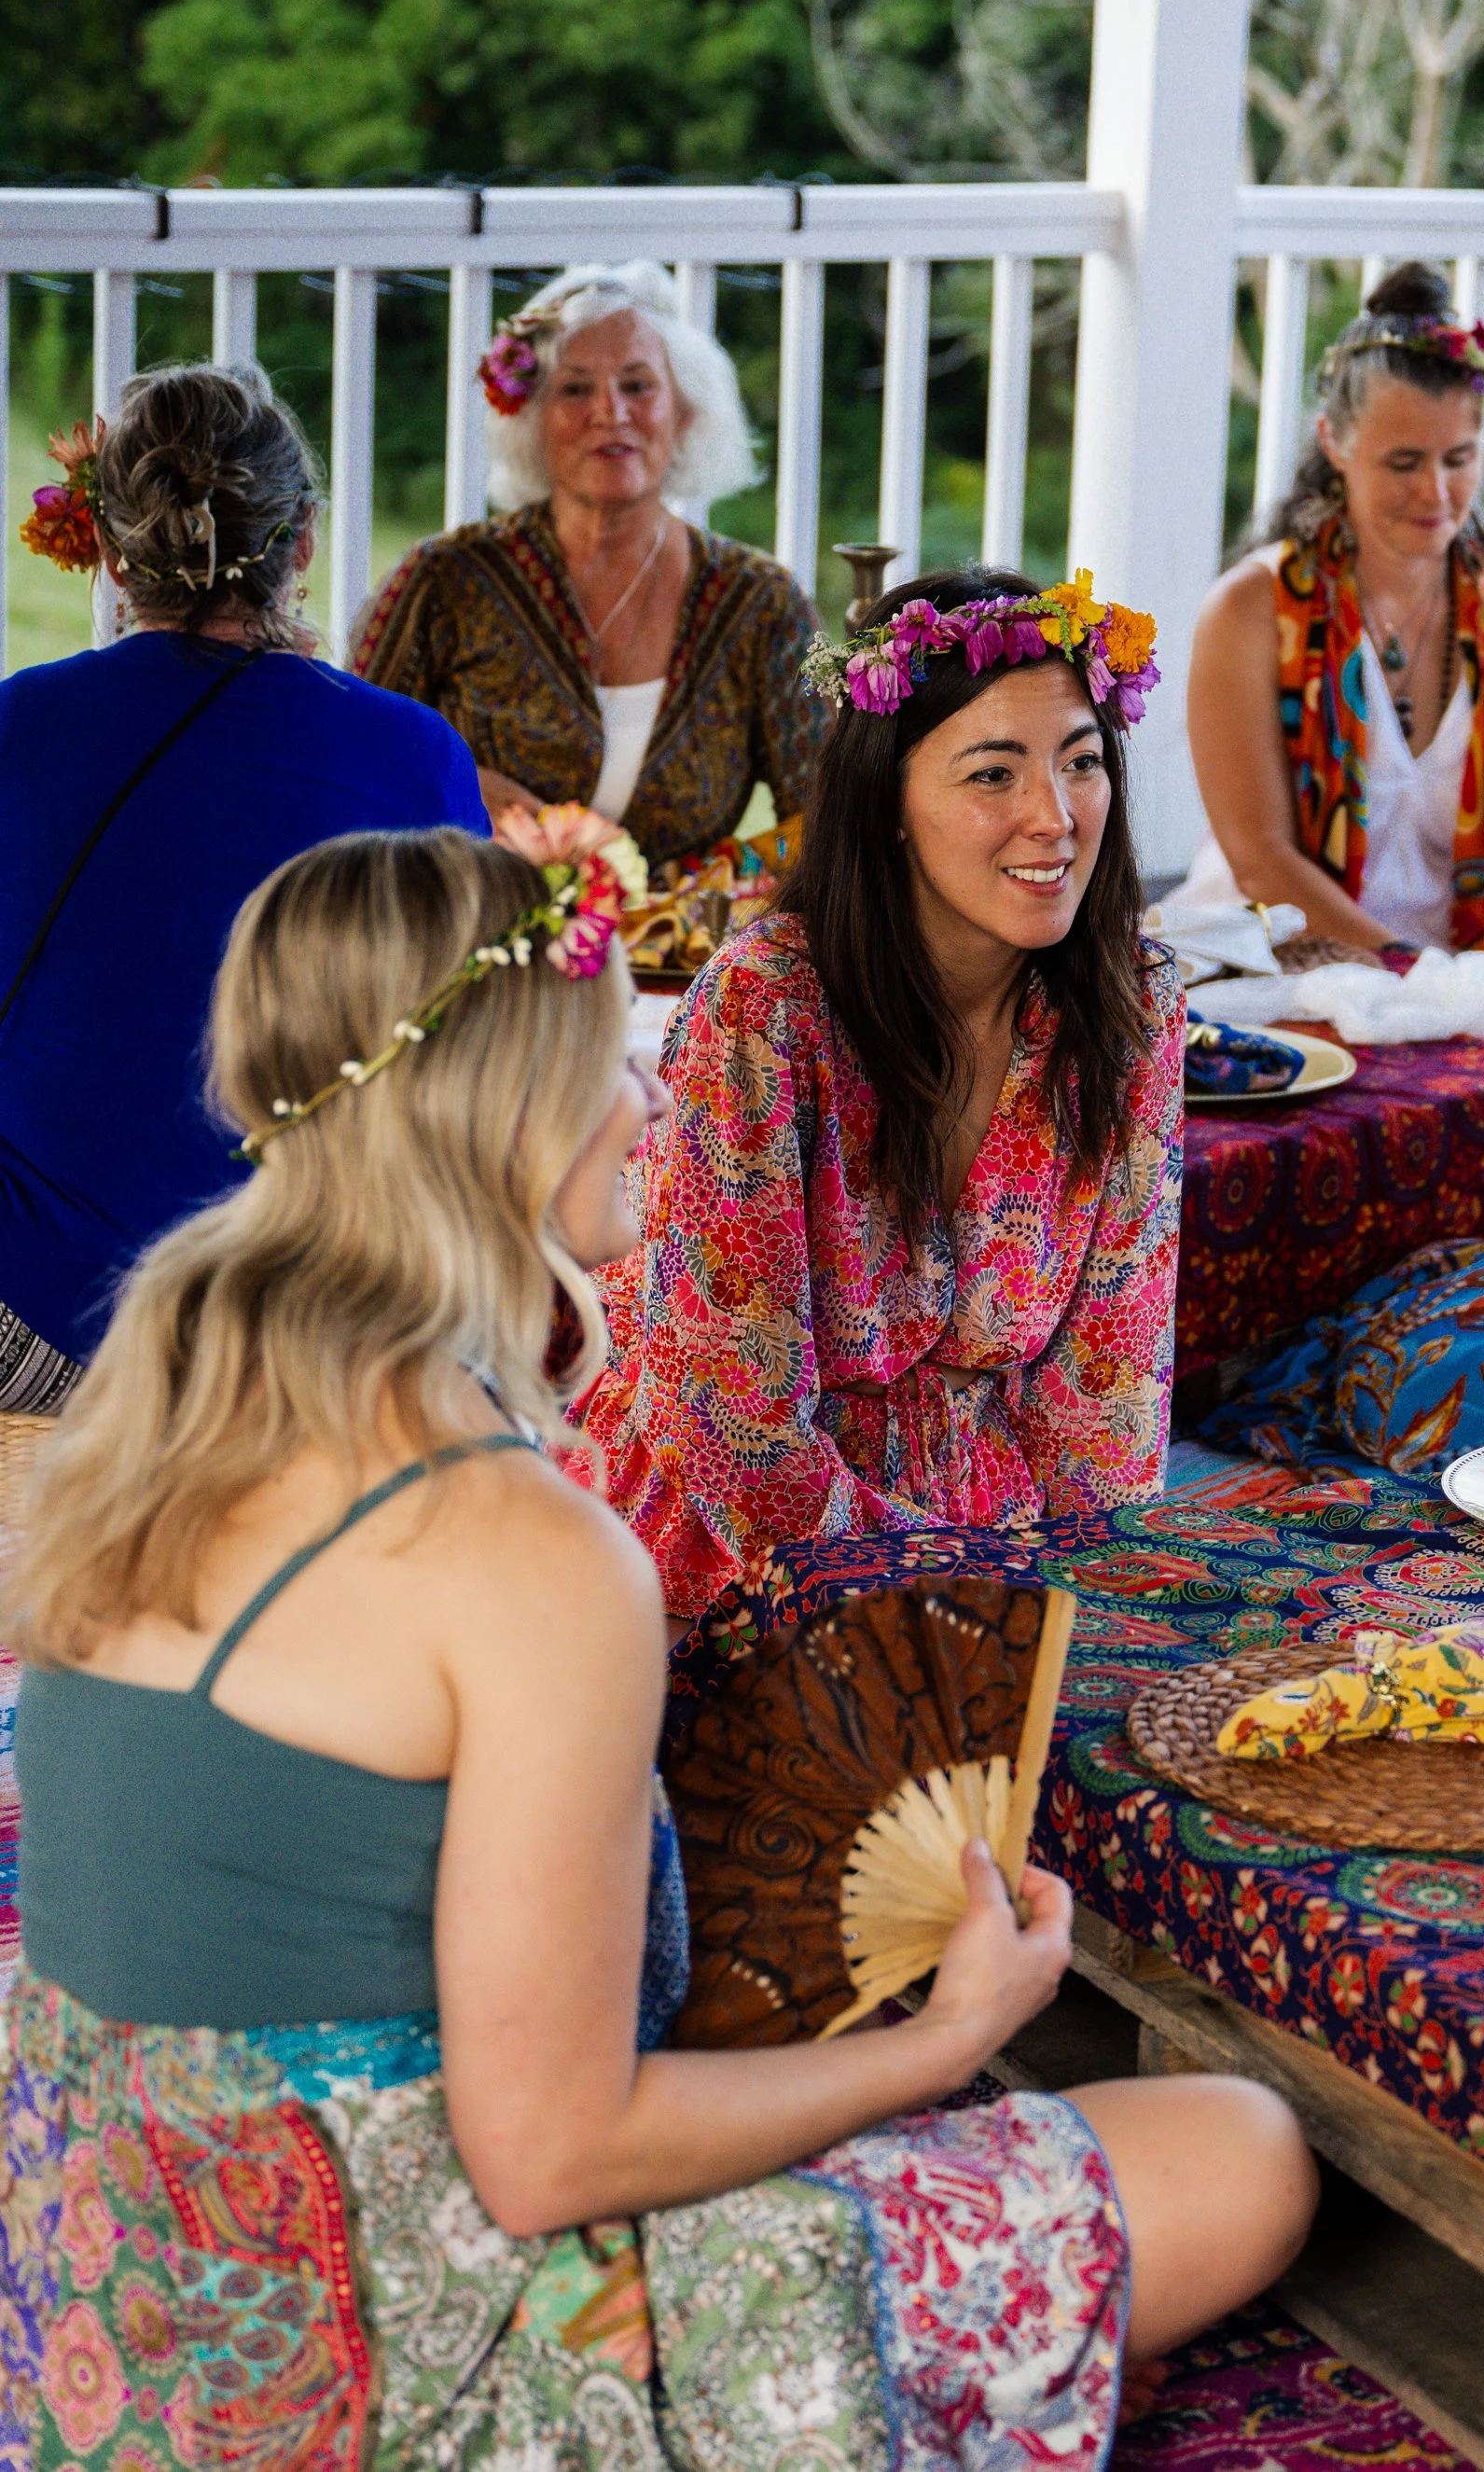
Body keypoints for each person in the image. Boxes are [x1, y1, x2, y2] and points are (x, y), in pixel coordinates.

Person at [1, 821, 1315, 2466]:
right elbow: (549, 2156)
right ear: (511, 1117)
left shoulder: (162, 1391)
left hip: (100, 2278)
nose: (650, 1103)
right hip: (369, 2363)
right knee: (1243, 2155)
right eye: (612, 1055)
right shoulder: (528, 1553)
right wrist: (950, 2039)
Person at [576, 565, 1184, 1624]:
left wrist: (1087, 1604)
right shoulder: (766, 1010)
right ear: (890, 802)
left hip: (995, 1540)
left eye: (1082, 764)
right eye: (993, 775)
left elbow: (1111, 1387)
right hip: (732, 1548)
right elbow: (730, 1425)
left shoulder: (1130, 1003)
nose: (1054, 817)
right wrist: (952, 1597)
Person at [0, 364, 484, 1409]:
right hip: (302, 1331)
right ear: (303, 537)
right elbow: (466, 1051)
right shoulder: (413, 754)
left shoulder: (17, 724)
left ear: (115, 553)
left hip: (31, 1318)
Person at [1183, 261, 1484, 991]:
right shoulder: (1248, 611)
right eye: (1404, 462)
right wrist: (1424, 983)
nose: (1436, 493)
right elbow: (1261, 859)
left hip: (1472, 956)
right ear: (1334, 442)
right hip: (1286, 952)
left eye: (1459, 459)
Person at [349, 260, 823, 868]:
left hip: (687, 958)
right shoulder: (444, 579)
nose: (610, 412)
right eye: (575, 389)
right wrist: (453, 788)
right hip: (475, 943)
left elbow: (827, 816)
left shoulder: (762, 601)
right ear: (532, 421)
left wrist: (713, 886)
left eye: (638, 385)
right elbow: (351, 764)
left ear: (684, 411)